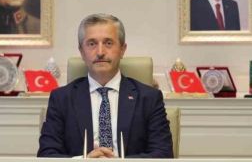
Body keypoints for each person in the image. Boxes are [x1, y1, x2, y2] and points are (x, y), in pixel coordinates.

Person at [38, 14, 173, 158]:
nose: (100, 52)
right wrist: (84, 161)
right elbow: (47, 155)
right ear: (82, 52)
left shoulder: (149, 98)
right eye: (92, 44)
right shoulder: (61, 99)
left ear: (122, 49)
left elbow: (163, 154)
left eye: (108, 43)